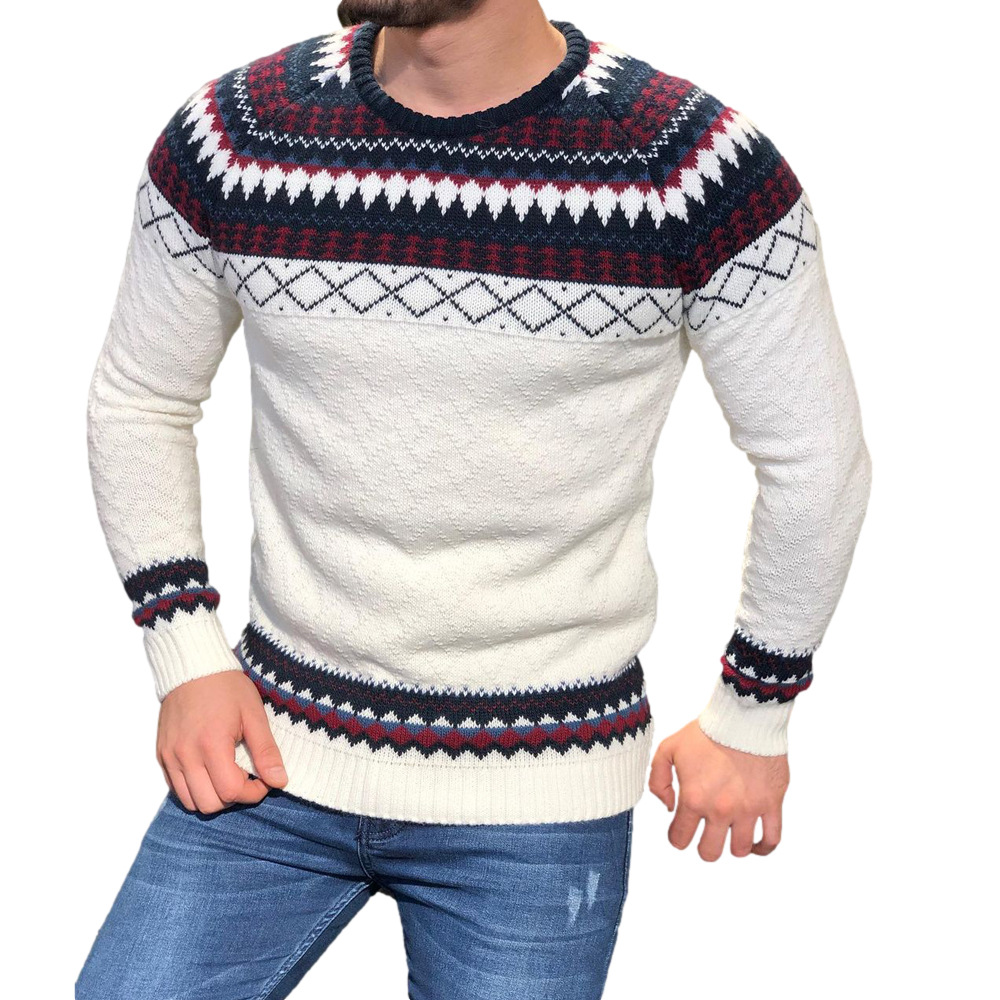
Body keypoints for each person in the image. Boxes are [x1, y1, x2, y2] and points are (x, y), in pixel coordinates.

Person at [76, 0, 873, 996]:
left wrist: (753, 713)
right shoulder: (236, 134)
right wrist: (186, 654)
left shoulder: (692, 167)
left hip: (538, 795)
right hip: (268, 757)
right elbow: (140, 397)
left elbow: (813, 457)